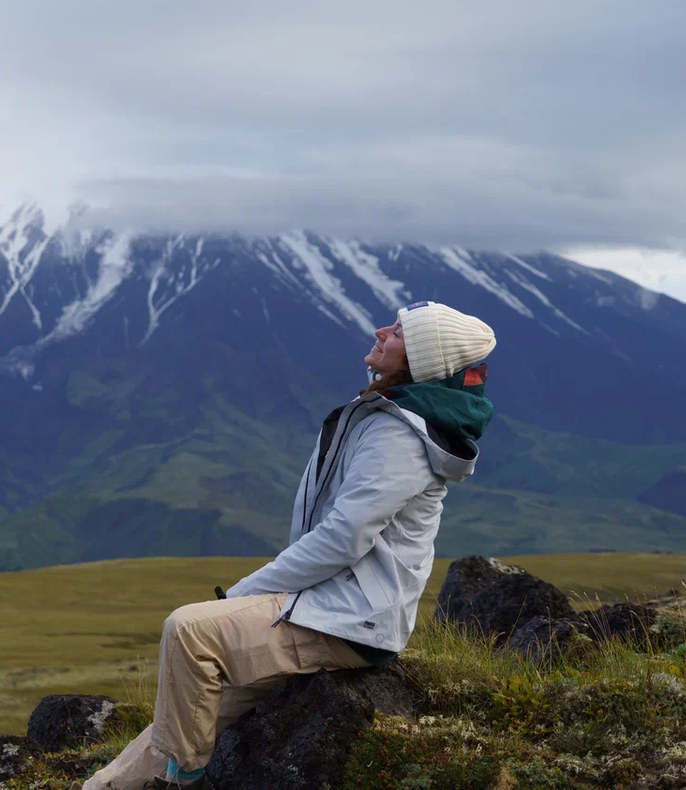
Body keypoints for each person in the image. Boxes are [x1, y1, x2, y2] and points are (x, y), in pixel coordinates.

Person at [74, 301, 497, 790]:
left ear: (422, 359)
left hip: (349, 620)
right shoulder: (391, 418)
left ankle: (181, 780)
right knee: (178, 718)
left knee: (189, 631)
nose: (381, 331)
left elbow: (343, 538)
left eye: (399, 332)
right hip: (327, 606)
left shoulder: (399, 436)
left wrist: (245, 595)